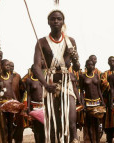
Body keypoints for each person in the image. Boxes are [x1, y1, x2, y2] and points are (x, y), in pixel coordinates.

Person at [33, 10, 80, 143]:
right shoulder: (41, 42)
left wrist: (76, 59)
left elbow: (76, 68)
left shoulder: (70, 41)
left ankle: (74, 139)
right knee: (54, 125)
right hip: (50, 84)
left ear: (63, 22)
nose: (56, 21)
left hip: (66, 83)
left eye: (59, 19)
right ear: (48, 22)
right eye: (53, 19)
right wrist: (46, 85)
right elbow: (36, 67)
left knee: (71, 123)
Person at [79, 59, 105, 143]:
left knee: (97, 123)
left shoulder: (96, 76)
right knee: (89, 124)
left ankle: (97, 140)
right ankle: (91, 140)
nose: (91, 66)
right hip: (88, 102)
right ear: (86, 66)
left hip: (97, 102)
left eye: (92, 65)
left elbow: (99, 90)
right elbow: (81, 91)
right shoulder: (83, 76)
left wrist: (102, 101)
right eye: (89, 65)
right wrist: (82, 102)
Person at [26, 64, 45, 143]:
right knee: (36, 128)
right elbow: (29, 95)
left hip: (44, 106)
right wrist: (28, 108)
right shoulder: (29, 80)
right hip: (35, 106)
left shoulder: (43, 80)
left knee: (44, 128)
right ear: (32, 71)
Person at [101, 56, 114, 143]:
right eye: (110, 61)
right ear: (108, 62)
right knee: (108, 120)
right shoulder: (105, 73)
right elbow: (103, 83)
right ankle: (109, 139)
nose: (112, 62)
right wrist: (110, 85)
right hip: (108, 99)